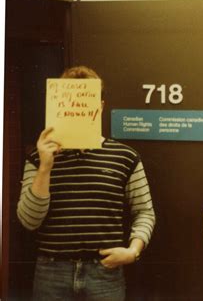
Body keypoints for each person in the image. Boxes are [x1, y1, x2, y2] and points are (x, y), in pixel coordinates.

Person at [17, 66, 156, 301]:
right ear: (57, 107)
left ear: (100, 106)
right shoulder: (38, 158)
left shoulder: (125, 156)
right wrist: (45, 167)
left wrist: (133, 252)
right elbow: (29, 221)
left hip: (104, 272)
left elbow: (144, 211)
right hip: (52, 272)